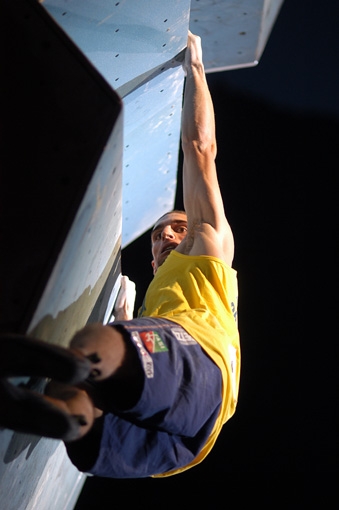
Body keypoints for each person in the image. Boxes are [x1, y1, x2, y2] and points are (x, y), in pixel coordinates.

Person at [45, 31, 241, 478]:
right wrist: (129, 320)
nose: (168, 235)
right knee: (76, 420)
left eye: (178, 227)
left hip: (201, 369)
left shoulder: (208, 250)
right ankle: (57, 401)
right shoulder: (164, 293)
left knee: (93, 348)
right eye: (157, 236)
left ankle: (70, 364)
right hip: (190, 444)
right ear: (153, 261)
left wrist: (195, 68)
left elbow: (201, 150)